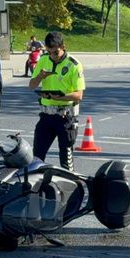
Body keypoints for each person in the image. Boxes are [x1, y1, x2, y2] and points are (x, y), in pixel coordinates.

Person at [28, 31, 85, 171]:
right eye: (50, 52)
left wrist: (61, 97)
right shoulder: (43, 60)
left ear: (63, 46)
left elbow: (78, 95)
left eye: (56, 52)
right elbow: (32, 86)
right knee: (37, 157)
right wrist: (40, 76)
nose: (53, 56)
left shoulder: (73, 65)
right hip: (47, 117)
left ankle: (73, 189)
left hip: (65, 117)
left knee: (66, 160)